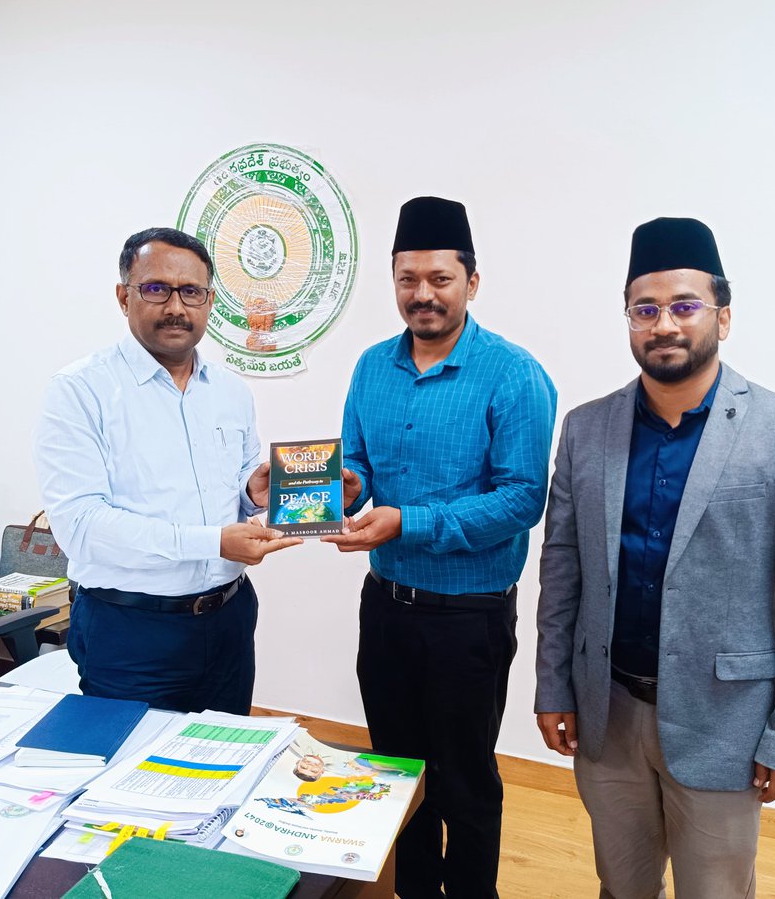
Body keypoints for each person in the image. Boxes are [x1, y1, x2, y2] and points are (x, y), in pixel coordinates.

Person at [534, 217, 775, 899]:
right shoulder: (586, 429)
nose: (664, 325)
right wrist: (554, 684)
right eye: (644, 310)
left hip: (724, 724)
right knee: (621, 887)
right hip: (608, 713)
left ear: (724, 316)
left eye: (685, 306)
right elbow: (563, 567)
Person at [322, 197, 557, 899]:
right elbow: (358, 473)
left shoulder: (513, 375)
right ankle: (413, 890)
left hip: (468, 620)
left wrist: (408, 522)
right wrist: (333, 487)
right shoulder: (371, 367)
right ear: (393, 281)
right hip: (386, 609)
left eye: (439, 279)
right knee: (394, 773)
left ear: (471, 282)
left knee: (463, 783)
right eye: (407, 279)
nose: (422, 294)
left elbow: (522, 499)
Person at [33, 227, 300, 715]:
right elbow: (82, 528)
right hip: (130, 630)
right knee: (125, 781)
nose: (176, 306)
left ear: (210, 301)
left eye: (191, 292)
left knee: (221, 767)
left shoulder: (230, 391)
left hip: (229, 619)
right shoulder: (79, 391)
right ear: (124, 296)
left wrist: (253, 491)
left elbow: (234, 490)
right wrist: (213, 542)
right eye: (157, 289)